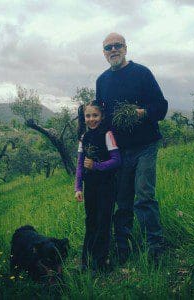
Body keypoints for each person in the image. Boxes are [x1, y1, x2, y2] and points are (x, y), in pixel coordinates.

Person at [96, 32, 168, 264]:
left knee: (144, 196)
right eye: (109, 47)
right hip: (119, 151)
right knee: (123, 199)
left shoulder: (142, 73)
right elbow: (102, 117)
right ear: (104, 53)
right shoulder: (102, 81)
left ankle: (155, 249)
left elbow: (161, 106)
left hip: (145, 145)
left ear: (125, 48)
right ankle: (122, 249)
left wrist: (143, 112)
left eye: (117, 46)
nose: (113, 50)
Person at [75, 101, 121, 272]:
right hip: (90, 187)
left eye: (95, 115)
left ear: (101, 117)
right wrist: (78, 187)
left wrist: (96, 166)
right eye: (88, 116)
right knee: (90, 221)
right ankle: (86, 262)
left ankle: (100, 262)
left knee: (103, 222)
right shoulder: (84, 138)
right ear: (84, 117)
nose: (91, 119)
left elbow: (117, 160)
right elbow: (80, 165)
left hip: (107, 186)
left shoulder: (107, 135)